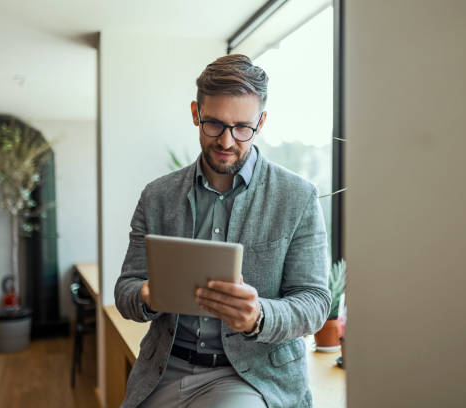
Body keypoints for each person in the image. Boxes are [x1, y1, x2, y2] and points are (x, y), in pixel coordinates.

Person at [115, 54, 330, 408]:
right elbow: (125, 289)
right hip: (163, 371)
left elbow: (315, 302)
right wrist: (149, 295)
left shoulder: (297, 197)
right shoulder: (157, 196)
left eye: (242, 127)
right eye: (213, 124)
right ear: (195, 113)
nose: (227, 141)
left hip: (250, 377)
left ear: (261, 122)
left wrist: (259, 316)